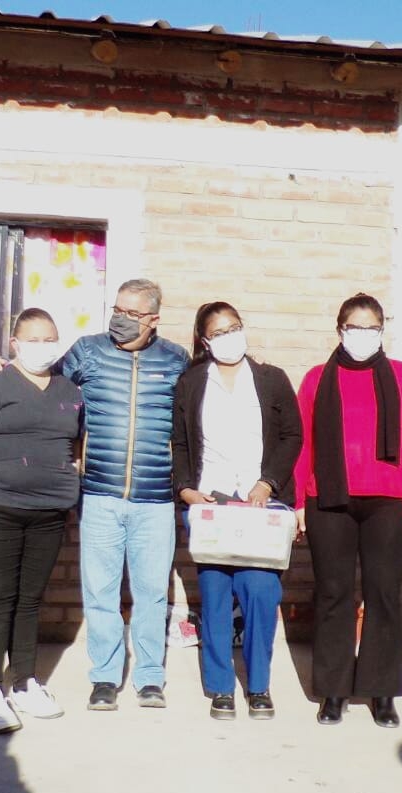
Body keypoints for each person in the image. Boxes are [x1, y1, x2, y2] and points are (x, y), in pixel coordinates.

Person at [294, 293, 402, 728]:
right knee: (333, 593)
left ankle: (381, 691)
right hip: (328, 499)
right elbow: (303, 444)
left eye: (371, 327)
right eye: (355, 327)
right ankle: (333, 690)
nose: (363, 334)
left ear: (381, 331)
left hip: (388, 502)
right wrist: (298, 501)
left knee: (383, 595)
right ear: (340, 330)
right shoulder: (317, 379)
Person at [0, 308, 84, 734]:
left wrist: (70, 481)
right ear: (14, 344)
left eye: (50, 339)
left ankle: (25, 682)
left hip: (49, 513)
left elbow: (75, 445)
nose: (42, 347)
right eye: (33, 339)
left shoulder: (69, 391)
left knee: (30, 600)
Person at [171, 302, 303, 720]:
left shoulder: (271, 379)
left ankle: (259, 686)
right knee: (214, 597)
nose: (230, 337)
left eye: (235, 328)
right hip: (211, 502)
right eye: (220, 332)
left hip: (259, 504)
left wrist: (268, 482)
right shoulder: (192, 382)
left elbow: (292, 435)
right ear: (205, 340)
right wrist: (186, 490)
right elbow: (179, 442)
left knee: (260, 593)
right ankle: (221, 688)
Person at [65, 279, 189, 711]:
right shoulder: (87, 351)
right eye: (117, 310)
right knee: (100, 590)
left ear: (154, 319)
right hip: (99, 494)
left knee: (152, 592)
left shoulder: (175, 360)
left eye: (132, 314)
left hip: (155, 498)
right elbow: (45, 390)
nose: (120, 319)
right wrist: (3, 371)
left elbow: (195, 415)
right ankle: (104, 676)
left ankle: (150, 677)